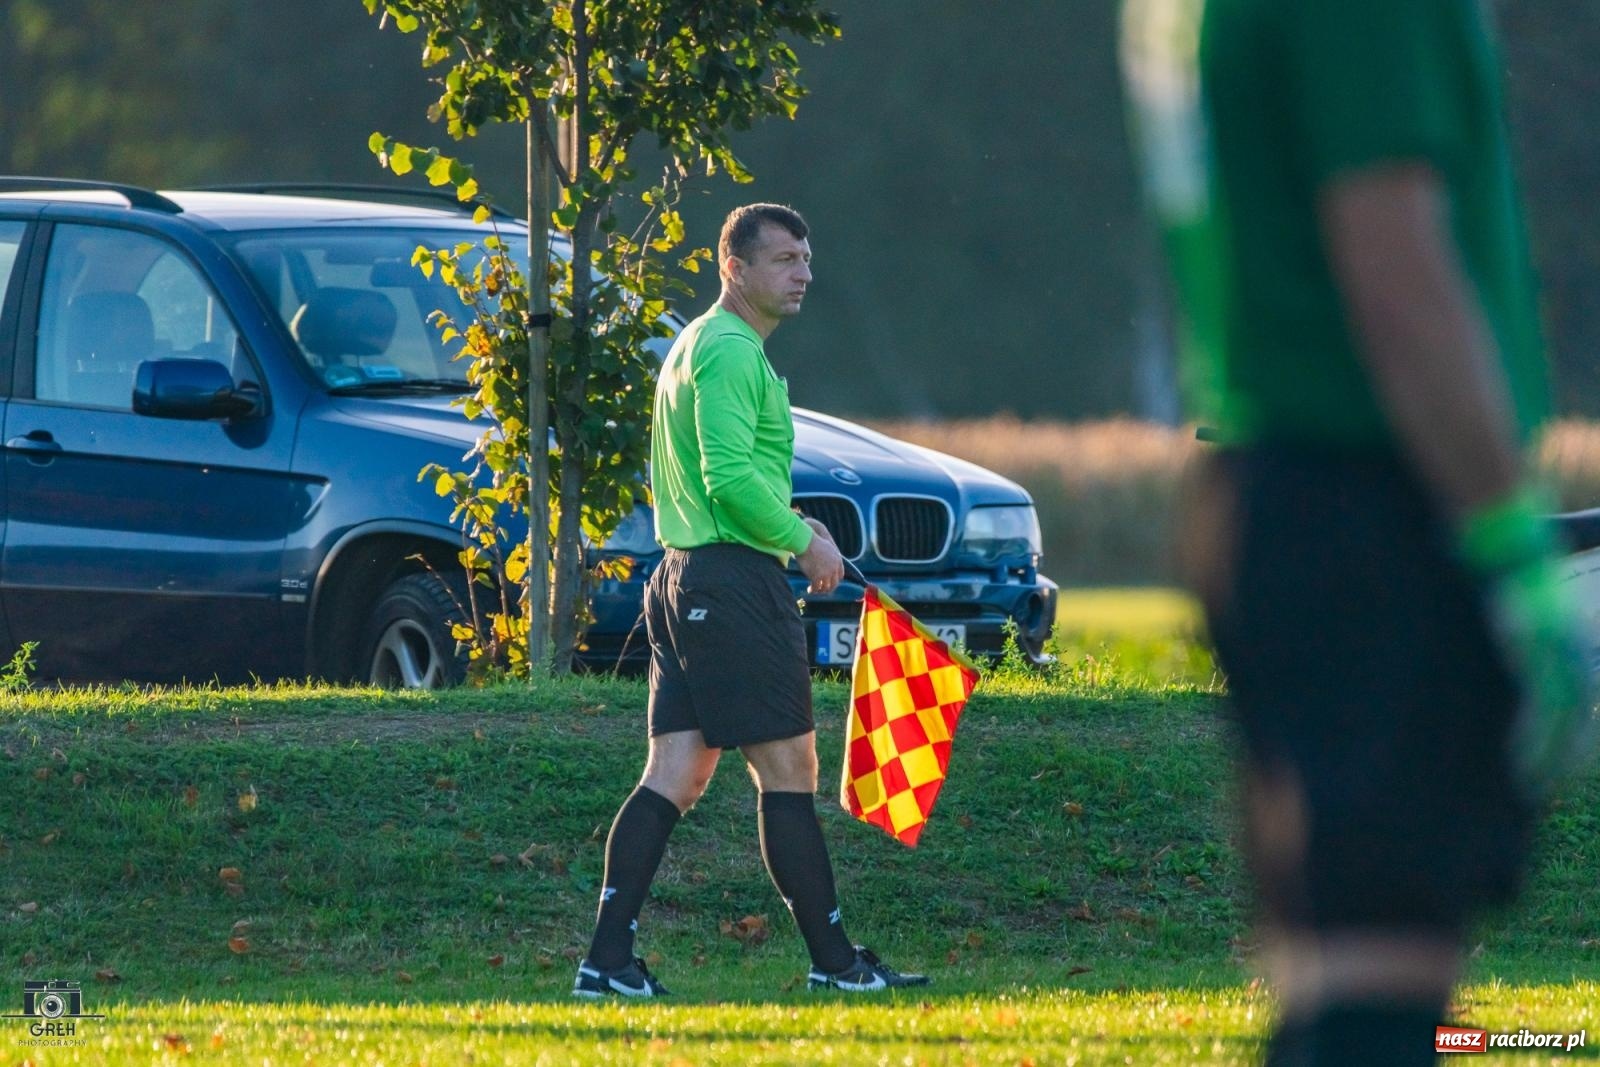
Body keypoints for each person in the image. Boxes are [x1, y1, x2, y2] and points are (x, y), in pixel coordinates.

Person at [1120, 1, 1594, 1063]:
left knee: (1338, 966)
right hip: (1371, 492)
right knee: (1382, 977)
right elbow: (1394, 269)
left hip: (1278, 486)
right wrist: (1506, 537)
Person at [573, 203, 929, 998]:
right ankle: (835, 965)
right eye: (784, 260)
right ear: (733, 267)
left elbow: (725, 479)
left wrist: (795, 521)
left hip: (684, 575)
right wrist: (803, 542)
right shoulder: (732, 351)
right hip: (731, 582)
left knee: (675, 773)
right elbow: (730, 480)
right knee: (789, 769)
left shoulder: (699, 344)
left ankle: (606, 962)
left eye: (806, 258)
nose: (802, 272)